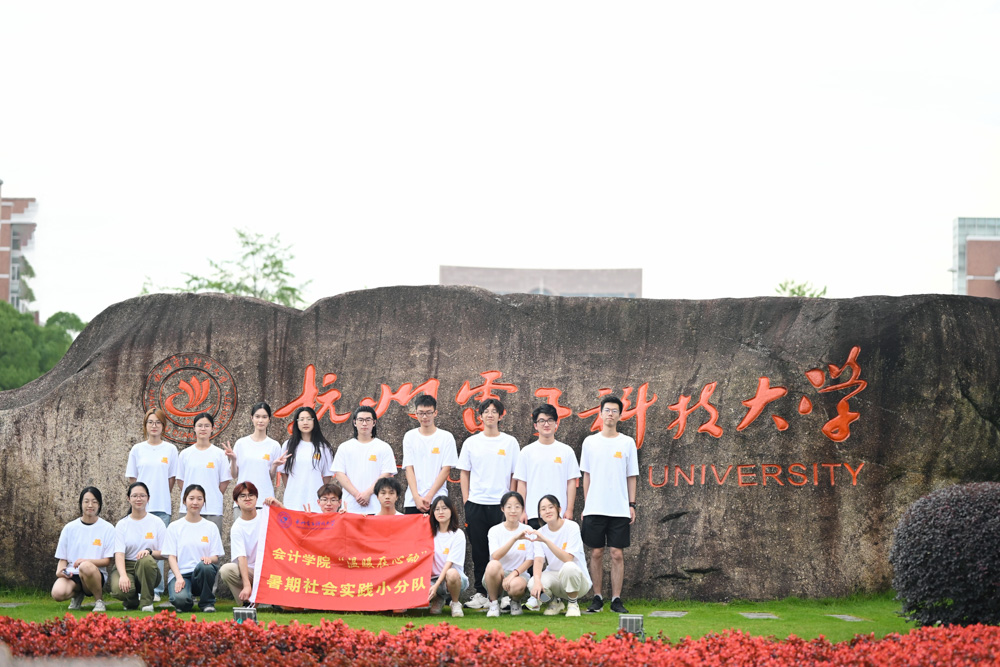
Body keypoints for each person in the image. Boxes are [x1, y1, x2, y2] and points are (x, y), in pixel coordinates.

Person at [456, 398, 519, 609]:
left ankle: (505, 593)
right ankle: (481, 593)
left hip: (501, 505)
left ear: (501, 415)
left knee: (505, 549)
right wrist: (466, 501)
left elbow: (515, 474)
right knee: (479, 550)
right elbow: (464, 473)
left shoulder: (510, 442)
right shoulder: (471, 442)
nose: (490, 415)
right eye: (486, 411)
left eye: (494, 411)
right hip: (476, 503)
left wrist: (511, 500)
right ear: (480, 416)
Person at [579, 395, 638, 614]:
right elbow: (586, 475)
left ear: (620, 415)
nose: (610, 414)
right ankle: (597, 597)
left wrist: (632, 504)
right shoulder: (590, 442)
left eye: (614, 411)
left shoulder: (627, 442)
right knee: (596, 552)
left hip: (619, 508)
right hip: (595, 507)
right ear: (601, 413)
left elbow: (631, 476)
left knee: (616, 553)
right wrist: (587, 504)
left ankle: (616, 599)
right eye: (607, 410)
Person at [125, 407, 177, 600]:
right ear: (145, 425)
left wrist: (159, 494)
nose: (154, 426)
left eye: (158, 422)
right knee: (140, 547)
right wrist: (140, 499)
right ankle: (140, 587)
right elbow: (133, 479)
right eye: (150, 422)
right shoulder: (137, 449)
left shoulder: (170, 450)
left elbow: (171, 479)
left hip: (161, 506)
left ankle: (156, 590)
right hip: (140, 508)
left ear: (164, 426)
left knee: (159, 550)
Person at [514, 405, 581, 528]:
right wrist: (522, 511)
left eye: (550, 420)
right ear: (535, 425)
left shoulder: (566, 451)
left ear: (556, 423)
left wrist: (569, 509)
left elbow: (571, 482)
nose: (546, 424)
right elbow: (522, 484)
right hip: (533, 513)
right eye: (542, 421)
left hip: (559, 513)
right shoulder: (527, 452)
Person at [161, 484, 224, 613]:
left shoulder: (211, 527)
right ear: (184, 501)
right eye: (191, 498)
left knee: (206, 567)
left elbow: (215, 557)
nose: (195, 502)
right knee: (180, 601)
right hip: (181, 574)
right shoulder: (174, 527)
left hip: (201, 574)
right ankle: (186, 599)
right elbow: (171, 557)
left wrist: (209, 559)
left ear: (204, 502)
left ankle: (207, 603)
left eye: (199, 499)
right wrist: (179, 577)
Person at [52, 487, 116, 612]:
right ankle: (77, 595)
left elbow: (107, 561)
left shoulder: (108, 528)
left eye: (94, 502)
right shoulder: (69, 528)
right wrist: (59, 571)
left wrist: (85, 562)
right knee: (57, 593)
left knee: (85, 566)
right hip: (72, 574)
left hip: (94, 573)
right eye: (86, 501)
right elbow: (63, 558)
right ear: (81, 503)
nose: (90, 505)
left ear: (99, 504)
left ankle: (99, 601)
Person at [528, 495, 591, 617]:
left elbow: (568, 558)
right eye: (543, 509)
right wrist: (537, 582)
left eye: (551, 507)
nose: (547, 511)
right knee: (532, 584)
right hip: (555, 579)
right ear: (540, 514)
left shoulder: (572, 527)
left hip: (577, 581)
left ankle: (573, 603)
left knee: (569, 567)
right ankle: (553, 602)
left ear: (559, 509)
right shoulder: (540, 533)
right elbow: (539, 560)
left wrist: (546, 541)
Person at [110, 482, 165, 612]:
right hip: (126, 566)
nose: (138, 499)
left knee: (146, 560)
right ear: (128, 499)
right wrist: (123, 575)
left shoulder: (156, 522)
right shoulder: (122, 524)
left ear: (148, 498)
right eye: (134, 496)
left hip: (148, 568)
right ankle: (132, 600)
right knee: (120, 590)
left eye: (142, 495)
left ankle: (146, 603)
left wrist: (150, 552)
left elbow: (165, 553)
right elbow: (119, 554)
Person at [333, 406, 397, 515]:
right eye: (361, 420)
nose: (364, 423)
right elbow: (339, 474)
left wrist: (367, 493)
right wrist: (357, 495)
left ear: (374, 422)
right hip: (350, 507)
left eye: (368, 420)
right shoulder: (344, 447)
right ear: (355, 422)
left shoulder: (384, 447)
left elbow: (386, 474)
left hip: (376, 507)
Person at [176, 412, 232, 534]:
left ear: (212, 429)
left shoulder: (219, 454)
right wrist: (192, 498)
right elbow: (180, 480)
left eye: (207, 426)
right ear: (194, 428)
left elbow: (224, 481)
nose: (203, 429)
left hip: (212, 509)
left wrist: (213, 494)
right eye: (200, 425)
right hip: (188, 509)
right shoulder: (185, 454)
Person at [402, 396, 458, 514]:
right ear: (416, 413)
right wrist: (416, 497)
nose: (424, 417)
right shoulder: (409, 436)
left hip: (438, 499)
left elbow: (446, 469)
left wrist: (429, 496)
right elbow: (409, 468)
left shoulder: (446, 437)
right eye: (421, 413)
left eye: (428, 413)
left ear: (435, 413)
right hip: (413, 500)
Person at [224, 402, 282, 509]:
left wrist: (274, 466)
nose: (260, 420)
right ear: (252, 418)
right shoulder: (241, 443)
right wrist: (233, 460)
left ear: (269, 419)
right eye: (257, 416)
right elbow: (234, 475)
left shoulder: (274, 445)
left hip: (265, 500)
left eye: (264, 417)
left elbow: (270, 477)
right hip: (243, 500)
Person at [482, 491, 532, 617]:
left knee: (516, 585)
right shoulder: (494, 530)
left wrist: (512, 575)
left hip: (518, 575)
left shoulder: (528, 530)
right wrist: (514, 539)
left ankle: (515, 601)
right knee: (493, 565)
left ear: (522, 509)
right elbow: (495, 556)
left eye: (517, 506)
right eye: (509, 507)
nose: (513, 510)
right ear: (502, 509)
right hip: (496, 576)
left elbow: (530, 560)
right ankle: (494, 603)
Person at [277, 407, 334, 512]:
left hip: (315, 501)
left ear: (314, 421)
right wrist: (291, 489)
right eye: (301, 419)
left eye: (309, 419)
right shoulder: (288, 445)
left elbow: (327, 475)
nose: (305, 422)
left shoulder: (324, 447)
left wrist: (320, 493)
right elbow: (284, 472)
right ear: (297, 423)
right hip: (293, 500)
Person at [219, 481, 260, 604]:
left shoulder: (266, 515)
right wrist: (246, 585)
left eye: (251, 495)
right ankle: (246, 602)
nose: (247, 498)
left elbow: (287, 523)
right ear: (236, 501)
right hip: (250, 571)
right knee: (226, 570)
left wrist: (279, 505)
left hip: (269, 570)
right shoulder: (237, 527)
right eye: (243, 496)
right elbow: (241, 557)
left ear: (256, 498)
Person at [427, 496, 468, 618]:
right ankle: (438, 599)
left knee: (451, 573)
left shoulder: (457, 534)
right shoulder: (429, 532)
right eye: (437, 509)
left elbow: (449, 563)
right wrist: (421, 521)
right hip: (432, 579)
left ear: (451, 510)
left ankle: (455, 603)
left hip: (453, 579)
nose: (441, 512)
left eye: (444, 508)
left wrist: (436, 585)